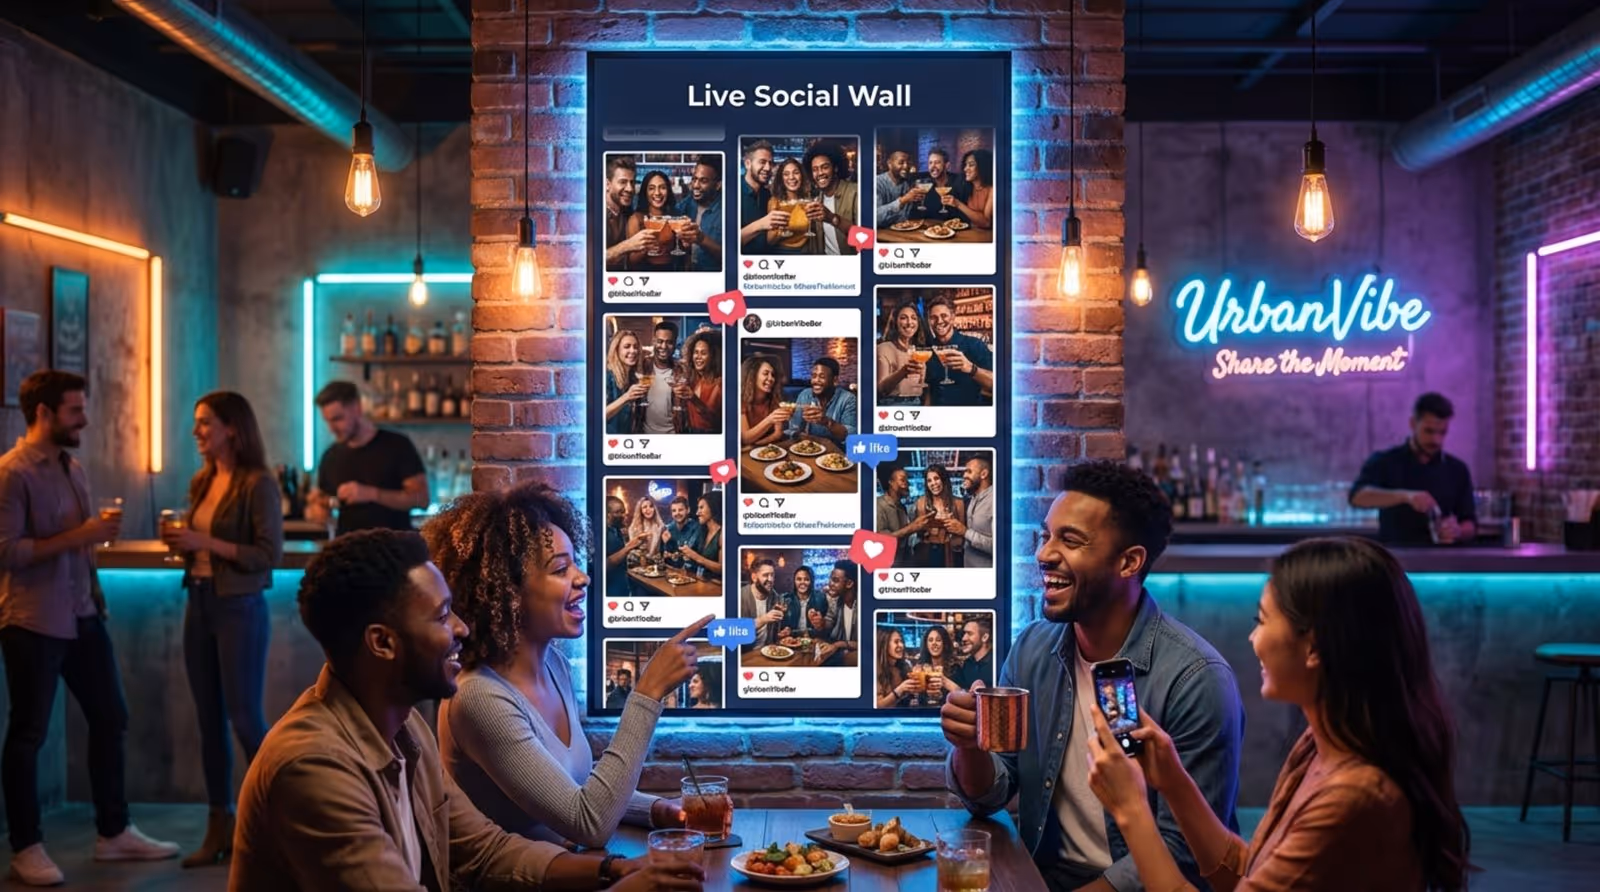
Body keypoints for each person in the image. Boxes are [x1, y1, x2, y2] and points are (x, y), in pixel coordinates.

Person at [231, 530, 702, 892]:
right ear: (381, 642)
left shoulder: (403, 727)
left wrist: (616, 869)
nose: (461, 628)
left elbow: (485, 850)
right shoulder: (313, 768)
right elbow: (584, 818)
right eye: (440, 617)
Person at [1085, 537, 1469, 892]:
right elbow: (1247, 870)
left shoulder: (1356, 798)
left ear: (1314, 647)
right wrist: (1174, 781)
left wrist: (1131, 809)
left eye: (1262, 621)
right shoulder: (1319, 744)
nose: (1254, 639)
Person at [941, 459, 1244, 892]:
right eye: (1047, 536)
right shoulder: (1033, 649)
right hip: (1039, 877)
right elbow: (990, 795)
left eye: (1071, 540)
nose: (1044, 554)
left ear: (1129, 562)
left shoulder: (1195, 678)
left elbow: (1185, 853)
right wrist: (968, 746)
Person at [425, 483, 710, 847]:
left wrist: (655, 809)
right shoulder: (479, 697)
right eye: (561, 569)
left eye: (575, 562)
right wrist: (648, 691)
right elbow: (588, 822)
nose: (582, 577)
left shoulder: (554, 665)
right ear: (507, 590)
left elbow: (569, 786)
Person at [0, 371, 179, 885]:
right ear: (44, 414)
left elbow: (81, 548)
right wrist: (84, 533)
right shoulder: (13, 474)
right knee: (27, 733)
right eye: (75, 410)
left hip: (82, 614)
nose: (85, 419)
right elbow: (7, 552)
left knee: (111, 718)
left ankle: (114, 832)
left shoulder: (71, 467)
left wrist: (96, 592)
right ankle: (26, 846)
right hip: (32, 619)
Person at [163, 392, 283, 868]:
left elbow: (267, 554)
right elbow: (202, 547)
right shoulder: (201, 482)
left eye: (205, 423)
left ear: (232, 428)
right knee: (208, 719)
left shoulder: (259, 484)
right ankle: (220, 827)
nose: (197, 432)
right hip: (200, 601)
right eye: (196, 424)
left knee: (244, 718)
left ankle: (277, 820)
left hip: (240, 607)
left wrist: (205, 541)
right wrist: (182, 546)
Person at [1349, 392, 1477, 546]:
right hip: (1396, 557)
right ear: (1413, 424)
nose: (1436, 440)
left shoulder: (1457, 469)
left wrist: (1458, 531)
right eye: (1429, 431)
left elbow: (1470, 523)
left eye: (1442, 433)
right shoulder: (1385, 461)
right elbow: (1357, 497)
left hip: (1444, 561)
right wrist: (1405, 496)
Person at [305, 381, 428, 537]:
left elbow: (421, 499)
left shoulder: (397, 445)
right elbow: (325, 504)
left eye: (337, 419)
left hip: (394, 552)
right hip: (348, 553)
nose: (331, 429)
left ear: (357, 408)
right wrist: (315, 510)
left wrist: (372, 494)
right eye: (328, 421)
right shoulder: (330, 456)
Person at [925, 295, 995, 408]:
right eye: (933, 317)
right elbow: (929, 389)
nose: (939, 321)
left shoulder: (974, 345)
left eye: (944, 316)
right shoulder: (928, 348)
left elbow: (997, 383)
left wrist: (971, 369)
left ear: (953, 317)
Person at [801, 140, 859, 256]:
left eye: (825, 167)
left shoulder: (856, 192)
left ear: (836, 168)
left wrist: (832, 218)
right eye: (815, 169)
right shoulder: (818, 199)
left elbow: (867, 238)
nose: (820, 173)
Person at [785, 358, 858, 445]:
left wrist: (827, 422)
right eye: (814, 376)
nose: (815, 381)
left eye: (822, 377)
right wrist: (798, 434)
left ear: (835, 380)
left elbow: (851, 435)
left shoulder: (848, 399)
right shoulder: (805, 395)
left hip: (837, 452)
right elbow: (794, 429)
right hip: (811, 449)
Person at [623, 170, 685, 272]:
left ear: (668, 191)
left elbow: (681, 253)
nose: (657, 193)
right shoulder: (636, 219)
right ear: (645, 192)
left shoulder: (674, 217)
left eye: (662, 187)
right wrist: (647, 249)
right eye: (651, 188)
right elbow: (631, 261)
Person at [604, 155, 657, 270]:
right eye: (623, 182)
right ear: (607, 184)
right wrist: (627, 245)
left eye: (632, 182)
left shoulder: (627, 211)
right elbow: (584, 259)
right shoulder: (593, 214)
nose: (630, 188)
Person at [673, 154, 723, 272]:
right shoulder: (689, 202)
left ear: (717, 185)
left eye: (703, 181)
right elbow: (671, 215)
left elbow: (732, 256)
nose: (695, 185)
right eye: (694, 179)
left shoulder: (728, 209)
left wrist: (701, 239)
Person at [877, 299, 931, 407]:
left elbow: (921, 387)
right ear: (895, 322)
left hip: (917, 403)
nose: (910, 322)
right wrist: (903, 372)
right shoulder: (883, 348)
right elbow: (881, 390)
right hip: (893, 404)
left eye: (914, 318)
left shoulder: (918, 350)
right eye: (903, 318)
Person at [944, 455, 995, 569]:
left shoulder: (995, 500)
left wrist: (964, 532)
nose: (964, 476)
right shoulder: (973, 497)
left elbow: (999, 547)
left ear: (984, 474)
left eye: (969, 471)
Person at [913, 465, 965, 568]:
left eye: (936, 478)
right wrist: (927, 529)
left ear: (944, 480)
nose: (933, 483)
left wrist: (952, 528)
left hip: (952, 552)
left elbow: (962, 535)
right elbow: (919, 534)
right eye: (929, 481)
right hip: (930, 552)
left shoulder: (958, 503)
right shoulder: (921, 503)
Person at [738, 140, 786, 252]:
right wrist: (761, 225)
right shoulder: (731, 192)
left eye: (771, 163)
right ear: (747, 164)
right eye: (762, 162)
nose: (768, 168)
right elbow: (724, 242)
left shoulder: (767, 194)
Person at [876, 465, 928, 568]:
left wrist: (920, 529)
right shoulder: (879, 505)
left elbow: (905, 535)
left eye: (907, 480)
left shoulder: (901, 507)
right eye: (902, 480)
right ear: (890, 482)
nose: (907, 483)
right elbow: (881, 540)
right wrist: (912, 527)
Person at [673, 329, 722, 435]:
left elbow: (714, 420)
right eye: (696, 352)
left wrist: (693, 399)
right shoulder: (696, 379)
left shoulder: (720, 383)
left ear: (713, 356)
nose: (698, 357)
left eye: (703, 353)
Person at [738, 354, 791, 448]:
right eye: (766, 374)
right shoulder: (740, 401)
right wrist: (769, 420)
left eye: (772, 375)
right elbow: (745, 438)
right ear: (752, 376)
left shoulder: (775, 399)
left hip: (766, 449)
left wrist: (756, 445)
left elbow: (778, 433)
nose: (771, 379)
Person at [766, 158, 814, 255]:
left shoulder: (807, 200)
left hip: (808, 250)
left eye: (796, 172)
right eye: (786, 174)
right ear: (781, 179)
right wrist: (781, 227)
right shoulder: (775, 202)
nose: (791, 177)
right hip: (785, 252)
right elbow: (769, 240)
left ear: (802, 176)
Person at [640, 321, 681, 437]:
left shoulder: (682, 371)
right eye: (660, 341)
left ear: (675, 344)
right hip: (644, 436)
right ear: (653, 341)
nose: (663, 347)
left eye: (669, 342)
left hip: (673, 436)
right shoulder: (642, 367)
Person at [604, 497, 648, 600]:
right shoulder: (601, 532)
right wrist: (629, 547)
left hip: (622, 587)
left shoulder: (616, 529)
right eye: (618, 512)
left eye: (623, 511)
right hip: (609, 591)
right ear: (607, 514)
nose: (623, 515)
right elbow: (604, 565)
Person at [818, 560, 860, 666]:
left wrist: (837, 645)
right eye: (831, 579)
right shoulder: (837, 601)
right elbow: (829, 621)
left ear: (849, 583)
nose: (830, 584)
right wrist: (820, 622)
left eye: (835, 580)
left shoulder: (863, 605)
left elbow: (869, 643)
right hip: (841, 652)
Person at [603, 330, 646, 436]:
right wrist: (626, 397)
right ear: (616, 350)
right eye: (627, 346)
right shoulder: (607, 375)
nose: (633, 351)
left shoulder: (633, 377)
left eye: (635, 347)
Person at [739, 559, 789, 647]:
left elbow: (775, 630)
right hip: (745, 655)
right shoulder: (739, 596)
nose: (770, 579)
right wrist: (763, 619)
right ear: (754, 577)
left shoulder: (775, 597)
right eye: (765, 575)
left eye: (772, 575)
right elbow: (734, 631)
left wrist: (783, 631)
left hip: (768, 651)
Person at [913, 147, 971, 220]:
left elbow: (965, 214)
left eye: (937, 162)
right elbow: (920, 213)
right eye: (930, 163)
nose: (933, 166)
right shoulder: (926, 185)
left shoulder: (959, 182)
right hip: (931, 229)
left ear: (947, 166)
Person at [875, 149, 928, 228]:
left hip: (905, 230)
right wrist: (903, 200)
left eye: (908, 163)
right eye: (901, 163)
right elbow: (875, 217)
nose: (906, 166)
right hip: (882, 233)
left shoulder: (909, 182)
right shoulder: (877, 183)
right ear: (889, 164)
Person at [677, 494, 723, 578]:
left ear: (713, 508)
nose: (697, 513)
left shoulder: (723, 534)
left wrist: (695, 557)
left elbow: (723, 568)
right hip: (701, 581)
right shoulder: (702, 531)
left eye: (701, 508)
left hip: (717, 586)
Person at [948, 149, 995, 230]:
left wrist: (958, 204)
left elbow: (986, 222)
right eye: (966, 165)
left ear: (982, 166)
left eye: (971, 165)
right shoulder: (965, 186)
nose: (965, 169)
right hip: (970, 232)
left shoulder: (992, 190)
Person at [875, 629, 921, 708]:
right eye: (896, 642)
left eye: (901, 641)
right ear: (884, 644)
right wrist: (900, 690)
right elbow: (877, 706)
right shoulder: (874, 669)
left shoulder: (904, 666)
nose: (901, 645)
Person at [946, 617, 994, 693]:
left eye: (970, 634)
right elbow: (964, 693)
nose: (964, 638)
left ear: (984, 637)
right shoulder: (967, 664)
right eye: (964, 634)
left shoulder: (997, 663)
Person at [919, 624, 960, 705]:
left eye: (938, 640)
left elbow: (963, 695)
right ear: (926, 645)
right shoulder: (921, 669)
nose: (934, 643)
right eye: (930, 640)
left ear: (944, 643)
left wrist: (944, 681)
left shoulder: (955, 669)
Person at [659, 496, 701, 569]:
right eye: (674, 511)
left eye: (680, 510)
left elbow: (691, 552)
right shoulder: (668, 528)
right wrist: (666, 543)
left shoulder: (697, 527)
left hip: (691, 573)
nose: (677, 513)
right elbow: (664, 555)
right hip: (672, 572)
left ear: (688, 510)